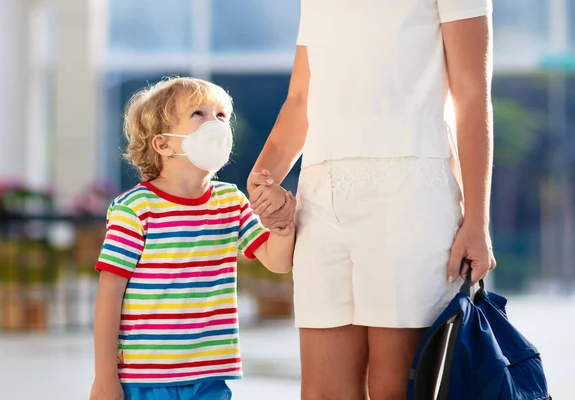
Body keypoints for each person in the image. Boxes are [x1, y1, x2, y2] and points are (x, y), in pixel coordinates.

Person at [247, 0, 497, 398]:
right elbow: (300, 100)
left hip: (411, 192)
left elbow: (470, 93)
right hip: (320, 194)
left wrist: (477, 221)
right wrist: (262, 180)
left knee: (395, 386)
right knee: (322, 391)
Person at [89, 77, 296, 400]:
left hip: (209, 376)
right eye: (198, 114)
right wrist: (104, 377)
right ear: (163, 144)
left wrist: (282, 224)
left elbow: (278, 261)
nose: (214, 124)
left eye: (221, 116)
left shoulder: (230, 201)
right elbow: (109, 293)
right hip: (143, 378)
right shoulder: (135, 209)